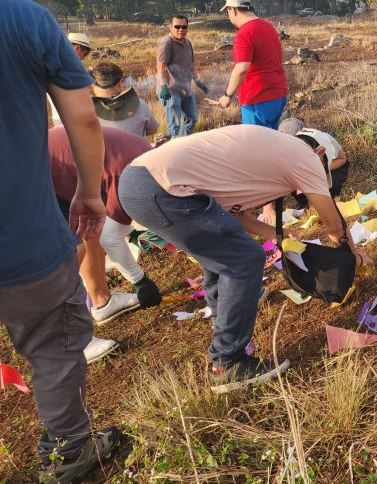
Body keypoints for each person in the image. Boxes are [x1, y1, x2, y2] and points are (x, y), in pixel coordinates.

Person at [118, 124, 351, 393]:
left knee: (222, 251)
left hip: (141, 180)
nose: (316, 182)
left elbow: (235, 217)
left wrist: (279, 234)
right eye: (324, 172)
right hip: (159, 187)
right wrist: (351, 256)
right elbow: (334, 226)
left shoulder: (270, 152)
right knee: (243, 259)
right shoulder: (307, 157)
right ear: (320, 152)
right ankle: (228, 362)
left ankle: (224, 321)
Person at [0, 0, 119, 482]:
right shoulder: (23, 17)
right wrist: (89, 194)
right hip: (21, 241)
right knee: (52, 347)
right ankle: (69, 449)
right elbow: (85, 118)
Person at [49, 125, 162, 353]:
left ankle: (102, 301)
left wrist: (130, 232)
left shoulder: (145, 158)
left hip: (63, 162)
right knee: (70, 251)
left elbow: (111, 223)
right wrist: (141, 281)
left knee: (91, 229)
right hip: (45, 172)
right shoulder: (133, 176)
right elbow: (112, 239)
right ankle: (71, 339)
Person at [217, 0, 287, 129]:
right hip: (278, 95)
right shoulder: (268, 26)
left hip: (258, 98)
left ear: (233, 10)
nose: (229, 16)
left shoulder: (244, 33)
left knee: (254, 146)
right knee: (271, 143)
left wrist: (228, 95)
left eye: (227, 12)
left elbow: (242, 68)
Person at [157, 14, 208, 137]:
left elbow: (190, 66)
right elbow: (160, 67)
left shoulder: (188, 42)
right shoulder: (166, 43)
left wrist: (197, 81)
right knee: (174, 125)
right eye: (177, 26)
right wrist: (164, 86)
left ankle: (181, 143)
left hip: (186, 89)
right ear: (170, 27)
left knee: (192, 119)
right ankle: (172, 149)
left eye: (184, 27)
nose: (181, 29)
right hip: (170, 91)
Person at [279, 118, 350, 198]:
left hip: (332, 166)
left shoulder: (324, 140)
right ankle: (307, 204)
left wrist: (320, 168)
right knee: (300, 192)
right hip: (310, 170)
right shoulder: (285, 150)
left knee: (329, 189)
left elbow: (342, 159)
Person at [91, 62, 159, 137]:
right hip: (137, 148)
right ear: (120, 84)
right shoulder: (140, 104)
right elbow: (153, 130)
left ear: (93, 85)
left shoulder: (86, 110)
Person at [48, 32, 92, 127]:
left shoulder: (51, 62)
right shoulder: (72, 67)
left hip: (57, 117)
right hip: (73, 119)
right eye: (83, 55)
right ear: (77, 48)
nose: (82, 59)